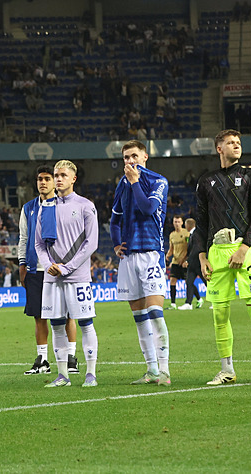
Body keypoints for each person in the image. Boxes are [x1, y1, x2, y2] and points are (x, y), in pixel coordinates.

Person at [194, 129, 251, 385]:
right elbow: (202, 221)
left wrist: (245, 247)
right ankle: (227, 369)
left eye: (238, 142)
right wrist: (201, 256)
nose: (236, 146)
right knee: (219, 313)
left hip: (245, 249)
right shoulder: (206, 181)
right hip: (216, 253)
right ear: (219, 148)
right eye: (231, 143)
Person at [110, 140, 171, 386]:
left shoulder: (158, 181)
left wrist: (135, 181)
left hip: (151, 253)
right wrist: (116, 243)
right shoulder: (121, 184)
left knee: (155, 314)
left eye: (134, 156)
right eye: (125, 157)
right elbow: (114, 219)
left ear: (145, 157)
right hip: (128, 258)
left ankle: (164, 370)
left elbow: (147, 208)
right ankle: (152, 370)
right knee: (139, 318)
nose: (129, 161)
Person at [35, 160, 99, 388]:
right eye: (56, 175)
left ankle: (90, 373)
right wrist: (49, 265)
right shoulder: (45, 207)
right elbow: (39, 244)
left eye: (63, 175)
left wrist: (67, 267)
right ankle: (63, 375)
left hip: (77, 277)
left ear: (73, 179)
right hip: (52, 278)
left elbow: (91, 243)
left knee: (85, 323)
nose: (58, 179)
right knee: (56, 325)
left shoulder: (85, 206)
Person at [18, 165, 78, 376]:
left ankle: (71, 357)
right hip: (36, 269)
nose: (43, 182)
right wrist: (22, 263)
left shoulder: (64, 206)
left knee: (67, 315)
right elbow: (23, 238)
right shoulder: (28, 208)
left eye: (47, 179)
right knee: (38, 316)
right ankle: (42, 359)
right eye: (40, 179)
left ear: (55, 182)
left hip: (59, 268)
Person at [178, 218, 205, 310]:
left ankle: (216, 301)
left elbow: (196, 250)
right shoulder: (192, 235)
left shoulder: (196, 234)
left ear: (188, 225)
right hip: (192, 264)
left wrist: (188, 261)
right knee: (189, 282)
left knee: (207, 283)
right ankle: (188, 303)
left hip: (198, 263)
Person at [165, 215, 189, 309]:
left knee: (188, 282)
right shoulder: (172, 235)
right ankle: (173, 304)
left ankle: (198, 299)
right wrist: (168, 255)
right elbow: (171, 248)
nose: (177, 224)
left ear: (182, 223)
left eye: (178, 222)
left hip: (184, 262)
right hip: (175, 261)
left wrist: (186, 259)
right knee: (172, 281)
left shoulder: (186, 233)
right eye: (175, 222)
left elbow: (189, 247)